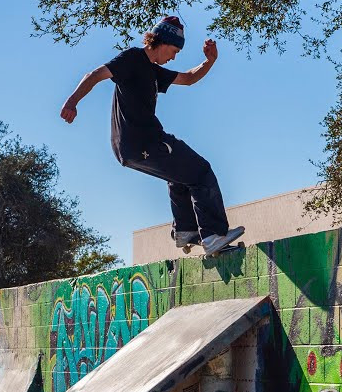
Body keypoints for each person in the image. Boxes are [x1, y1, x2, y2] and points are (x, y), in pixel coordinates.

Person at [60, 15, 244, 256]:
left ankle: (186, 231)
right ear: (162, 41)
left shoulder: (155, 72)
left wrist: (209, 61)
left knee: (180, 174)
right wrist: (72, 101)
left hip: (130, 149)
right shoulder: (133, 58)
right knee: (201, 171)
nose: (175, 56)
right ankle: (213, 235)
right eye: (175, 50)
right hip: (143, 142)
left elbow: (188, 79)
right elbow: (95, 74)